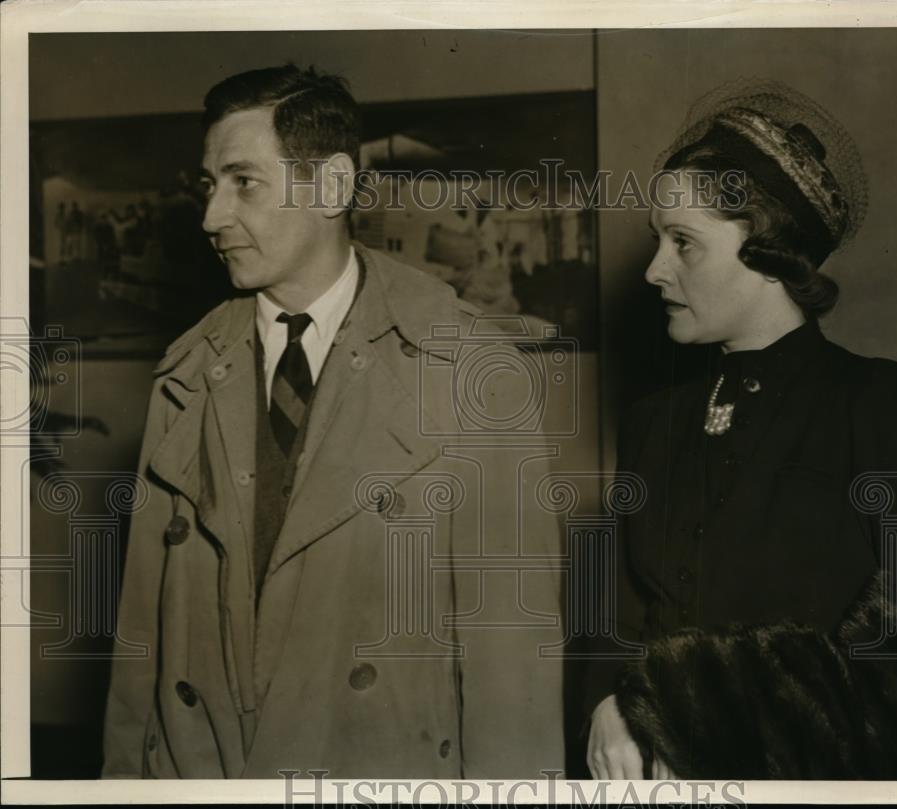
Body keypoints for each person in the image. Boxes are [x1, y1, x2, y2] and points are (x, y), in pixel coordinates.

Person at [102, 64, 564, 779]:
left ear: (333, 186)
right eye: (210, 185)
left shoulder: (471, 368)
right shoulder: (185, 373)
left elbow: (513, 664)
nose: (211, 217)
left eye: (243, 182)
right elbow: (140, 647)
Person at [585, 82, 897, 780]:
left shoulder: (892, 405)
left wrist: (690, 724)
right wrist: (609, 701)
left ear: (768, 252)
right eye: (657, 240)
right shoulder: (651, 424)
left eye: (684, 244)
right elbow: (612, 614)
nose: (653, 269)